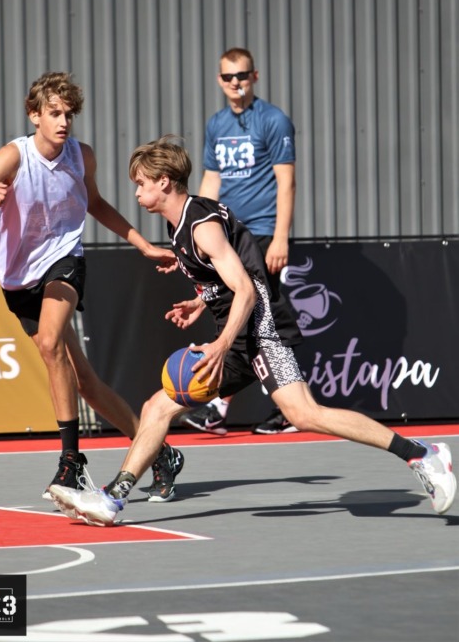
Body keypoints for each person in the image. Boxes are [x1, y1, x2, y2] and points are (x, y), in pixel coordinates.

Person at [49, 137, 456, 526]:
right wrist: (199, 302)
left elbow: (245, 289)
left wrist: (221, 344)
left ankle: (422, 454)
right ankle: (112, 498)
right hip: (238, 333)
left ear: (164, 182)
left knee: (303, 413)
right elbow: (226, 280)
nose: (137, 192)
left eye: (141, 183)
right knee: (158, 406)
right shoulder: (181, 225)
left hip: (262, 330)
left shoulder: (201, 226)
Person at [0, 73, 184, 503]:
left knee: (50, 342)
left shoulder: (81, 156)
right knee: (86, 383)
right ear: (34, 115)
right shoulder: (12, 157)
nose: (63, 122)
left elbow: (94, 203)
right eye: (54, 113)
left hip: (64, 260)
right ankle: (160, 452)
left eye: (69, 114)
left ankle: (71, 463)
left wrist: (142, 245)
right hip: (18, 279)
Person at [180, 46, 299, 436]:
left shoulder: (273, 120)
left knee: (262, 318)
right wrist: (193, 227)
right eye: (228, 77)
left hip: (261, 232)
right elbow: (211, 181)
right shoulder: (217, 124)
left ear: (254, 77)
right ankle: (227, 407)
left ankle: (283, 407)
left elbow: (286, 182)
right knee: (242, 315)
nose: (236, 83)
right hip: (226, 235)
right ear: (220, 80)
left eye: (242, 75)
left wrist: (280, 238)